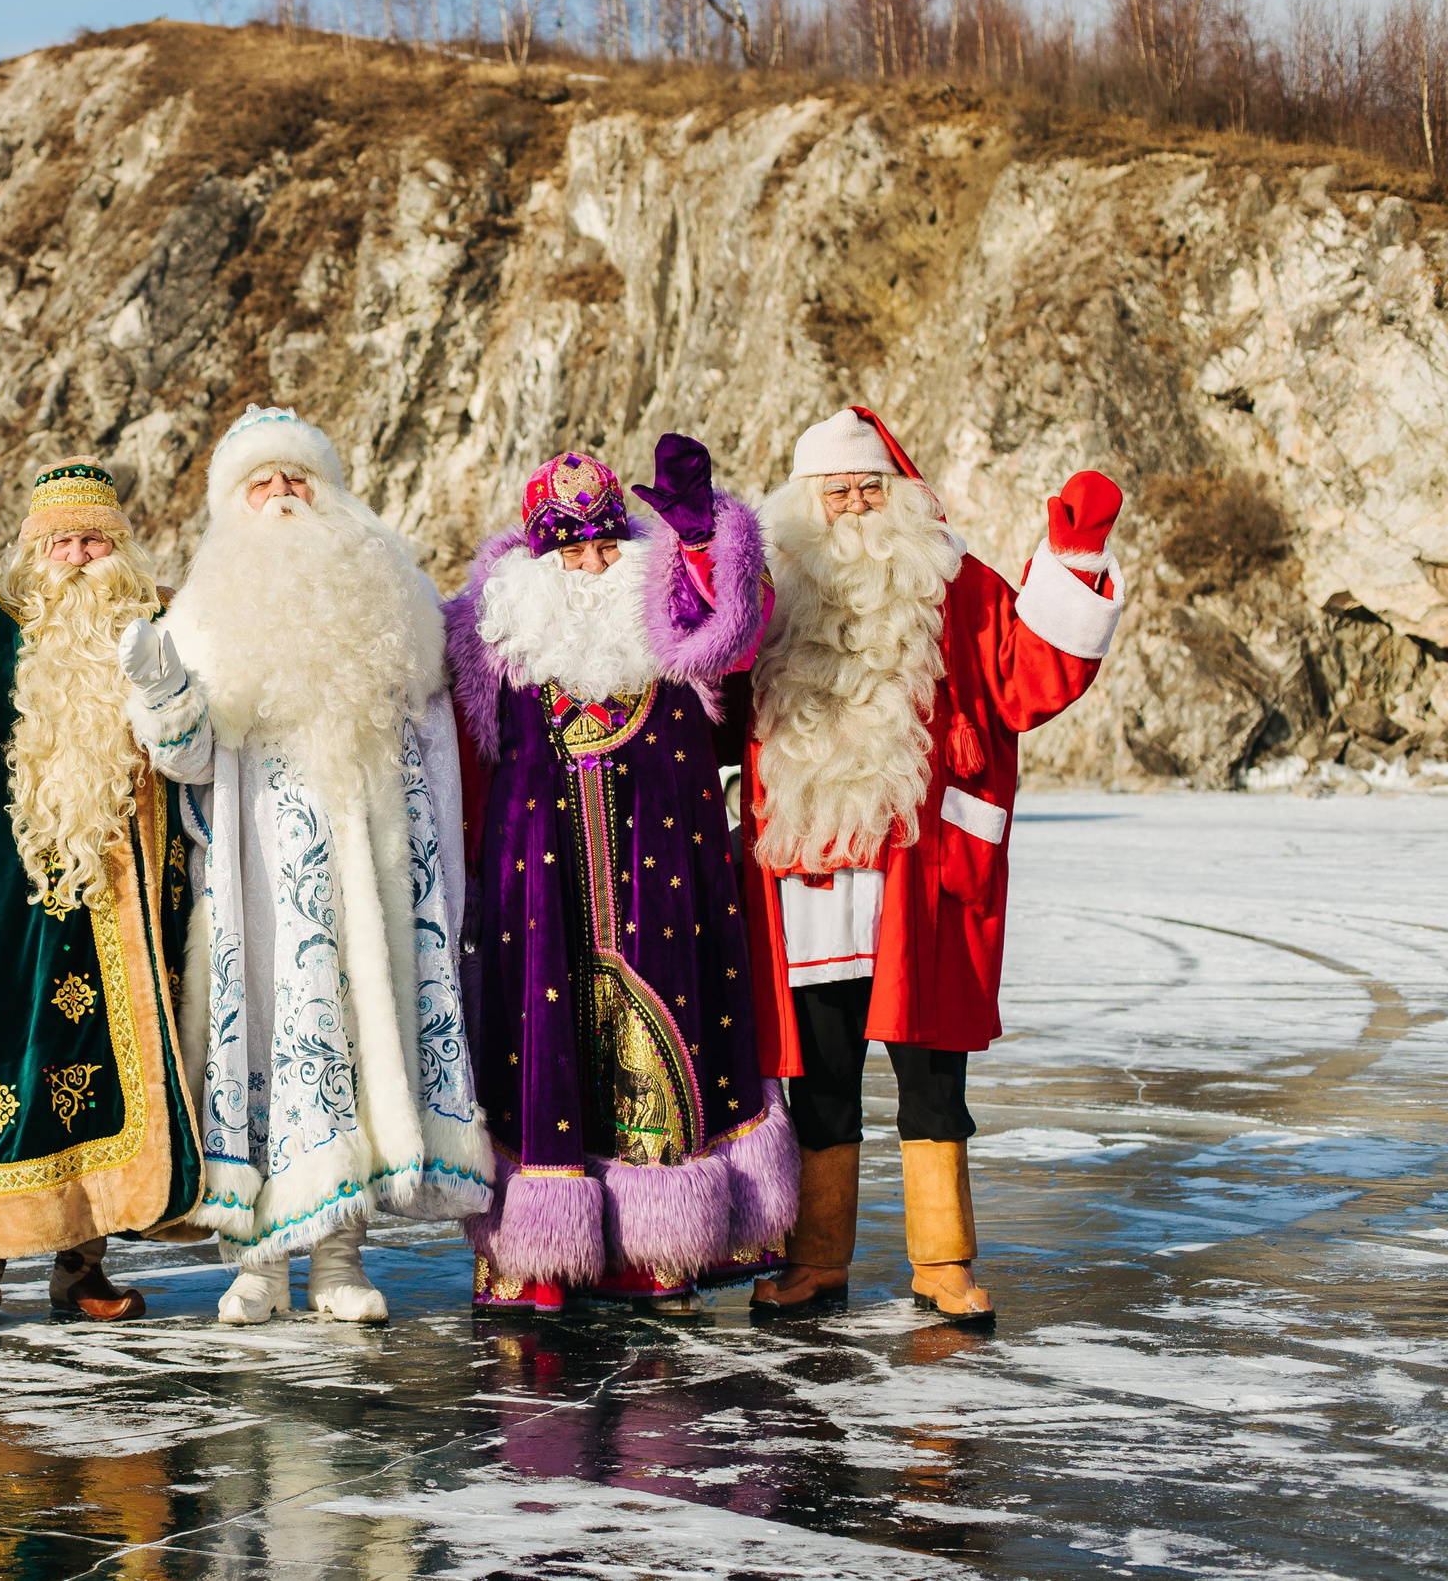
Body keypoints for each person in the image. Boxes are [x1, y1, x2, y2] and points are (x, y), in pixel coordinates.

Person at [730, 407, 1124, 1323]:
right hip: (804, 878)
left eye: (869, 487)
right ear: (802, 501)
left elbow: (1031, 673)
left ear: (900, 493)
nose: (854, 504)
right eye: (835, 490)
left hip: (918, 876)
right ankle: (815, 1259)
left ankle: (943, 1262)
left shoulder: (955, 583)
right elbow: (706, 689)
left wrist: (1073, 556)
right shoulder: (769, 593)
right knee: (818, 1078)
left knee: (933, 1081)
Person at [121, 405, 490, 1325]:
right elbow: (188, 761)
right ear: (233, 502)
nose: (282, 493)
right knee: (265, 1044)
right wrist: (164, 694)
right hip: (261, 879)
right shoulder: (205, 608)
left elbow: (433, 737)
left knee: (359, 1042)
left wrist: (438, 870)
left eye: (297, 476)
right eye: (262, 481)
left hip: (373, 866)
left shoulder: (390, 589)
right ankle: (255, 1265)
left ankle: (338, 1256)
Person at [443, 438, 795, 1316]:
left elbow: (735, 631)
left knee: (657, 1050)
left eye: (606, 544)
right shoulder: (497, 635)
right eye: (573, 551)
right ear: (538, 557)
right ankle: (535, 1250)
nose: (594, 564)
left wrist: (705, 538)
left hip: (661, 880)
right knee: (538, 1055)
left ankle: (653, 1243)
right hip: (537, 891)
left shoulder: (667, 614)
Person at [0, 457, 205, 1335]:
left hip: (123, 896)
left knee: (97, 1078)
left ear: (121, 545)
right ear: (34, 550)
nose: (79, 554)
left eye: (94, 538)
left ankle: (81, 1266)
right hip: (11, 894)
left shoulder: (161, 619)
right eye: (62, 540)